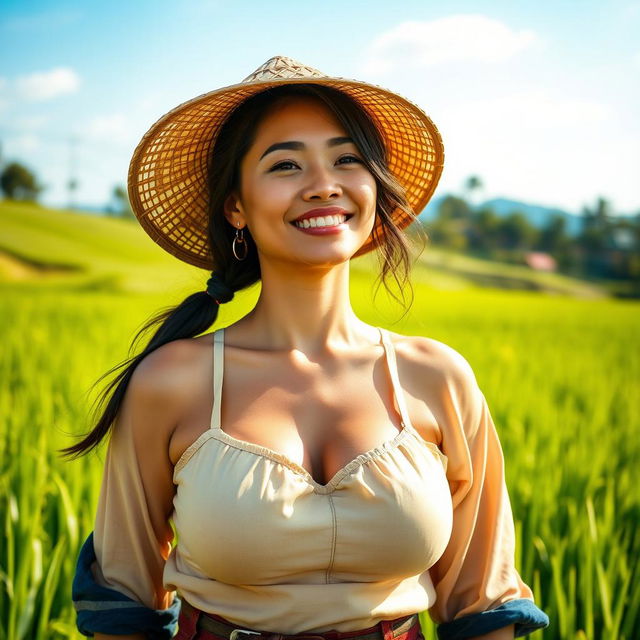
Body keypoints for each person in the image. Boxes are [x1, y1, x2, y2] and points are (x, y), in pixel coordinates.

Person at [65, 56, 549, 640]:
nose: (324, 184)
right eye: (286, 164)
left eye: (347, 159)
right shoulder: (173, 381)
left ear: (373, 189)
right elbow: (122, 602)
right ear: (235, 205)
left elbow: (484, 602)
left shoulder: (435, 377)